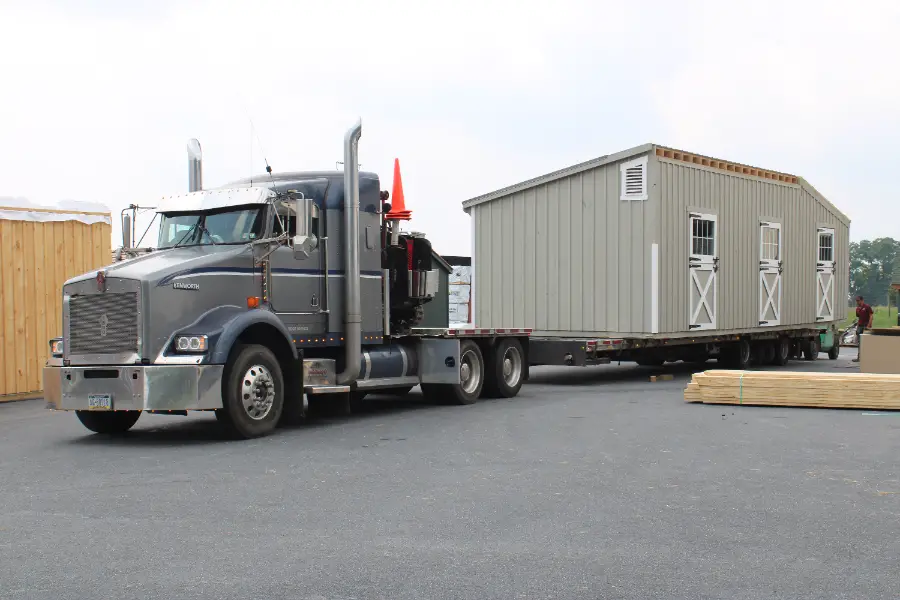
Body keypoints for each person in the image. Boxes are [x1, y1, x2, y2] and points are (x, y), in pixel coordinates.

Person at [852, 295, 873, 362]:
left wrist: (869, 325)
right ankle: (859, 357)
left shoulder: (867, 307)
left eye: (858, 300)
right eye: (856, 301)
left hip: (866, 325)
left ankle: (867, 357)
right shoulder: (857, 308)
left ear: (862, 300)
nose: (857, 302)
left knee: (866, 342)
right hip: (860, 326)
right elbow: (859, 317)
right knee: (859, 342)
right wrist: (857, 326)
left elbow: (871, 316)